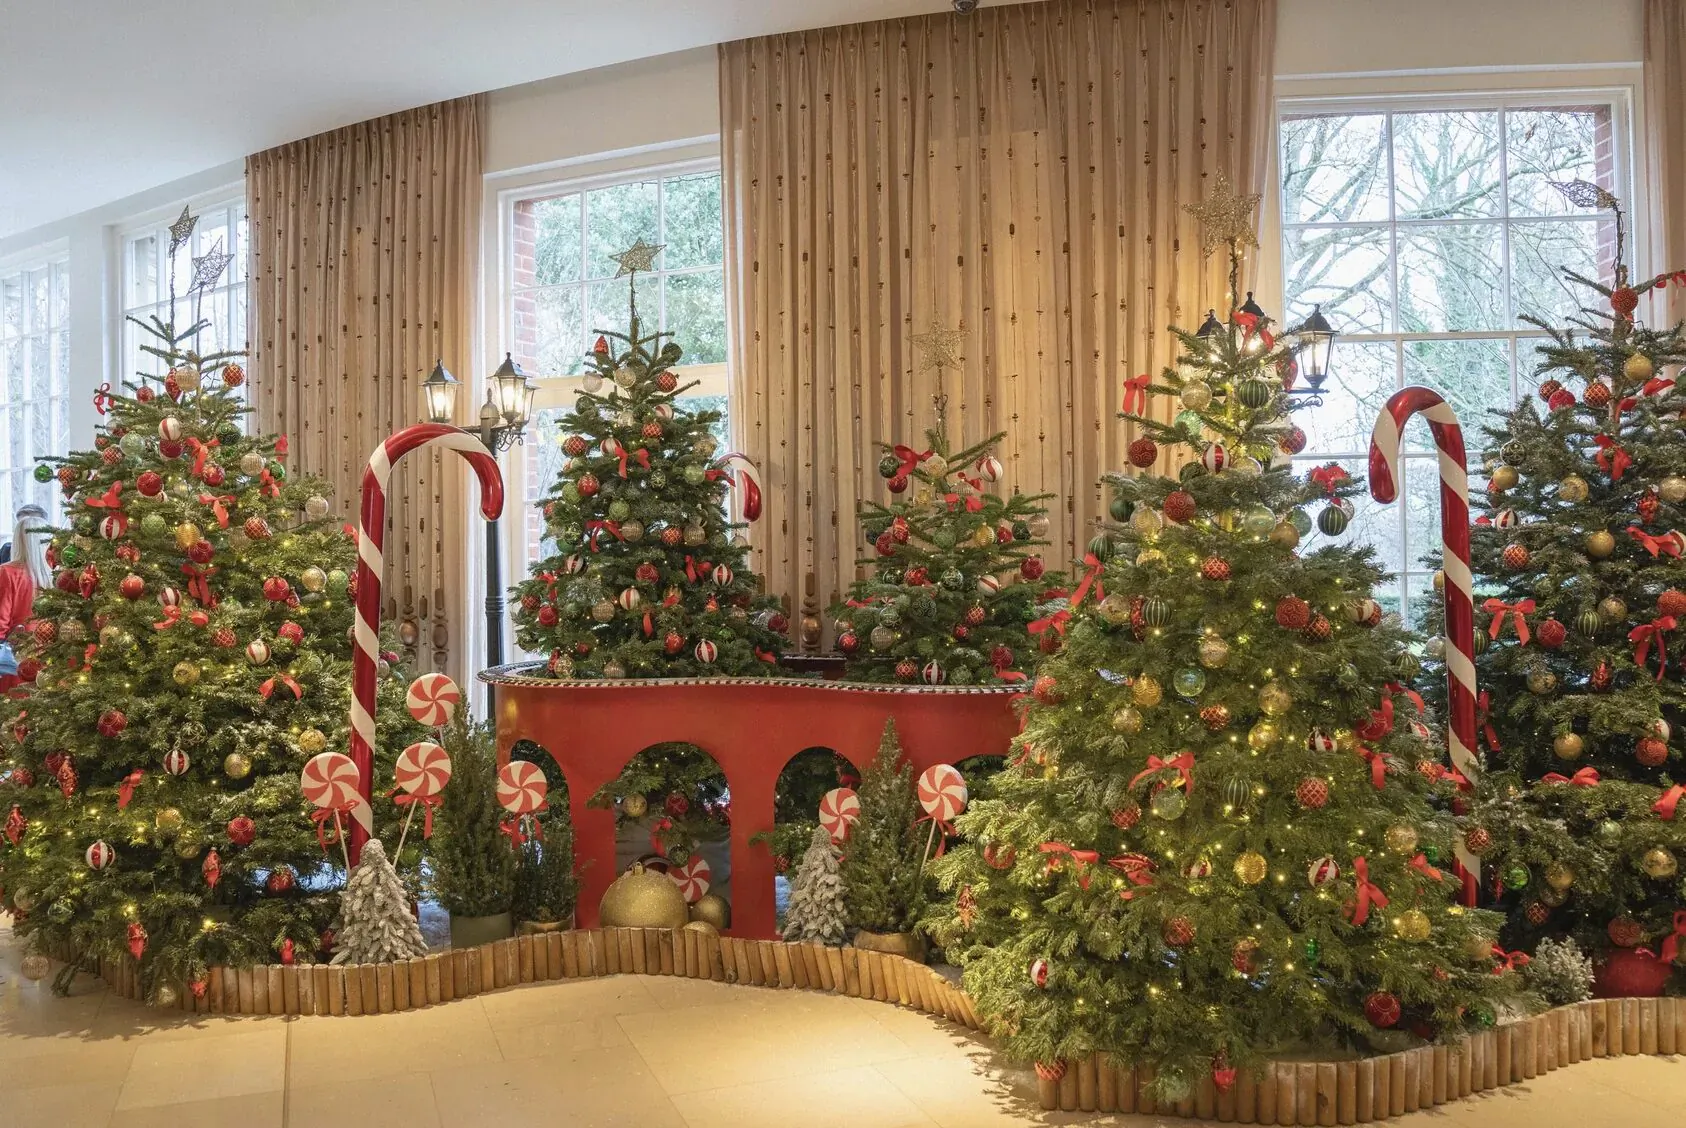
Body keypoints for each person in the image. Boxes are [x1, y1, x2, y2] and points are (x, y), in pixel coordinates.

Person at [0, 504, 49, 691]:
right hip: (50, 652)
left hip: (17, 654)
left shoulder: (7, 572)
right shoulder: (54, 574)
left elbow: (1, 621)